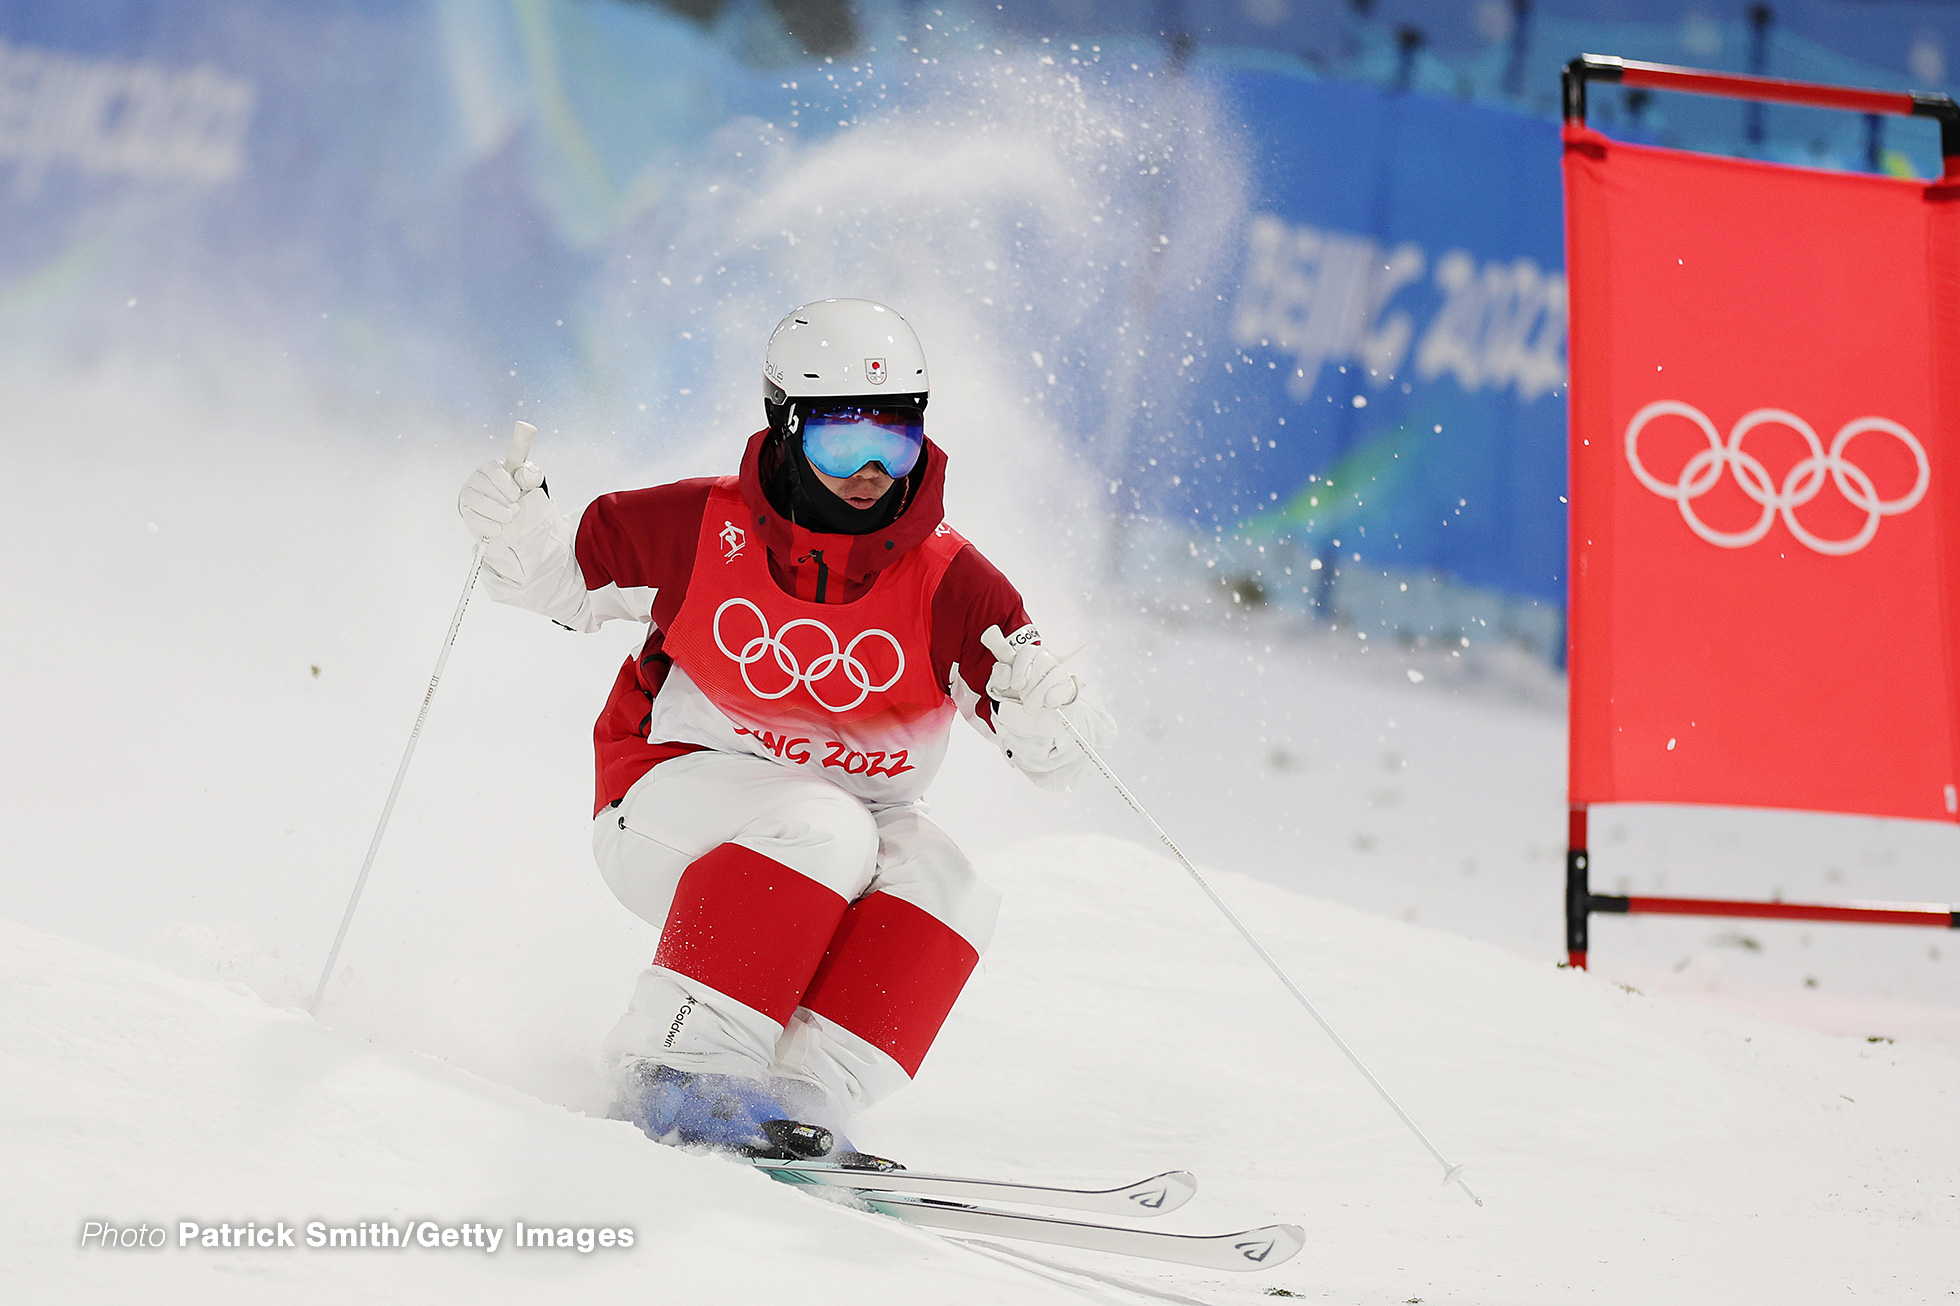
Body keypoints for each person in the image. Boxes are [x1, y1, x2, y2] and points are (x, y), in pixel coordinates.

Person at [457, 298, 1112, 1162]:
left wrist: (1058, 716)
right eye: (844, 442)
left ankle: (803, 1093)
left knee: (946, 882)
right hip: (665, 807)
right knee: (822, 825)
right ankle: (676, 1067)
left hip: (831, 849)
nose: (872, 469)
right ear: (786, 427)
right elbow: (557, 582)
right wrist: (517, 536)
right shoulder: (698, 528)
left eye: (898, 438)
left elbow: (1058, 751)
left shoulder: (953, 584)